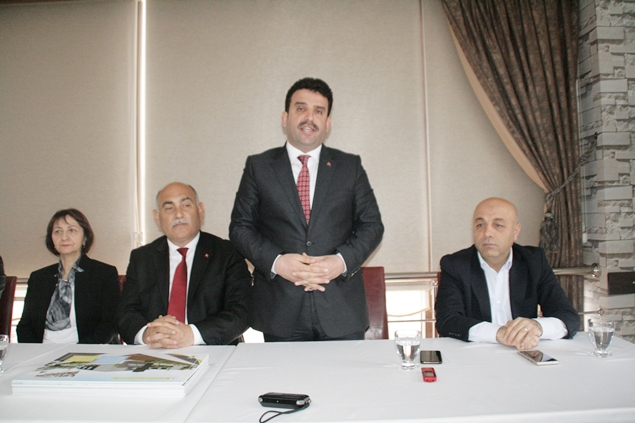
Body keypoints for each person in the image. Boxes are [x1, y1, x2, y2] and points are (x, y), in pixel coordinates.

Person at [230, 77, 384, 342]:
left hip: (341, 310)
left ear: (328, 123)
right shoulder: (259, 167)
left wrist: (339, 262)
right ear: (285, 117)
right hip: (280, 310)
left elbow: (372, 226)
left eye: (318, 111)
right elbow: (240, 228)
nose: (309, 117)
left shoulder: (350, 167)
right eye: (301, 108)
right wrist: (278, 262)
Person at [117, 182, 251, 348]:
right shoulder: (142, 258)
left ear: (200, 211)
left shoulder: (227, 253)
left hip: (213, 349)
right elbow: (126, 312)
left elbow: (242, 310)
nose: (178, 214)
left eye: (186, 205)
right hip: (156, 351)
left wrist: (192, 335)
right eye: (169, 208)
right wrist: (147, 334)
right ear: (157, 217)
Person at [435, 197, 579, 350]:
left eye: (498, 225)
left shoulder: (534, 261)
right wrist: (498, 333)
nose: (487, 233)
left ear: (515, 232)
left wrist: (537, 327)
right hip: (476, 354)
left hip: (524, 351)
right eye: (480, 225)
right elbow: (447, 320)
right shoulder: (455, 265)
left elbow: (568, 316)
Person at [17, 209, 119, 344]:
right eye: (58, 231)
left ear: (85, 237)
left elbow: (110, 324)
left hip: (87, 350)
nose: (64, 237)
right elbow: (24, 326)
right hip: (42, 351)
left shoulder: (103, 274)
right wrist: (36, 352)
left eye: (71, 230)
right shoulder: (39, 278)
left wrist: (79, 352)